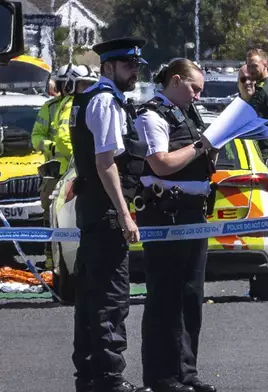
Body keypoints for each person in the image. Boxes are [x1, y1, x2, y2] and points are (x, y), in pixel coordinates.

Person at [68, 37, 151, 392]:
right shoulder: (104, 102)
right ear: (108, 68)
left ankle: (91, 374)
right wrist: (125, 213)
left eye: (136, 66)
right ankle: (107, 376)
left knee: (92, 295)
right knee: (110, 297)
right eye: (128, 66)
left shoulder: (97, 99)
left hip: (96, 209)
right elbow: (106, 163)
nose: (134, 72)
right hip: (105, 213)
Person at [134, 58, 218, 392]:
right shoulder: (152, 114)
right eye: (195, 88)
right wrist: (201, 146)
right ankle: (162, 376)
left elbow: (203, 159)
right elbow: (162, 163)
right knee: (165, 298)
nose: (198, 96)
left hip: (193, 213)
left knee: (190, 296)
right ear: (176, 80)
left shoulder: (190, 113)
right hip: (165, 213)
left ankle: (186, 373)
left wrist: (214, 145)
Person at [32, 64, 71, 268]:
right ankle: (50, 260)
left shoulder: (85, 105)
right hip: (56, 171)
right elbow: (36, 136)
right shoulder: (50, 107)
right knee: (50, 214)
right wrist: (51, 146)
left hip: (79, 169)